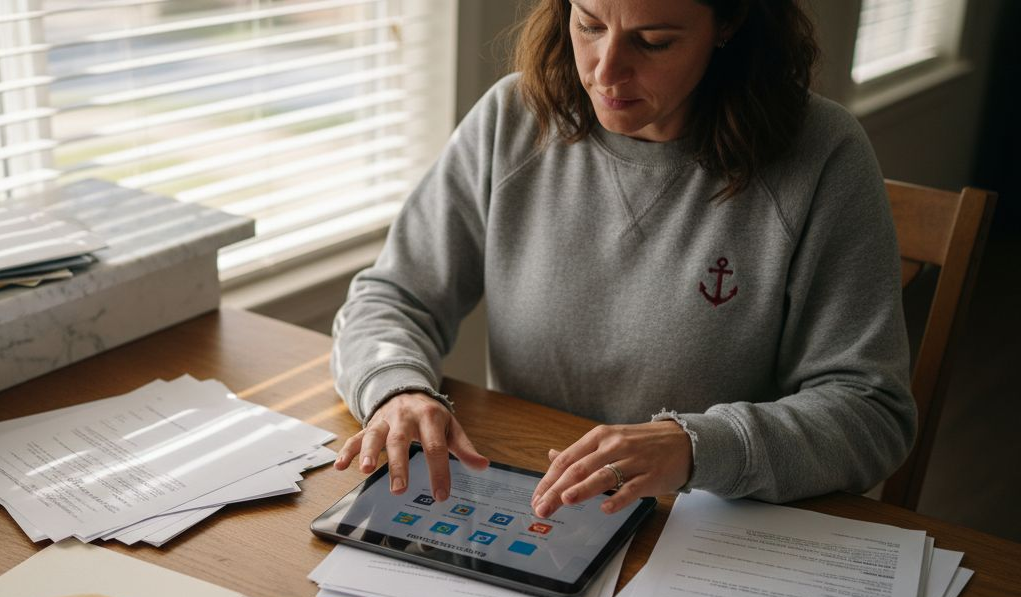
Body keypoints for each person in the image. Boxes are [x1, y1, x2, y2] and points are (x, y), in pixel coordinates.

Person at [329, 0, 915, 518]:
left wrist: (694, 445)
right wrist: (396, 389)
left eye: (654, 41)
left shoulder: (823, 154)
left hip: (701, 526)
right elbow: (391, 298)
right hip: (529, 499)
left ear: (730, 22)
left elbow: (872, 412)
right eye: (588, 25)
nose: (605, 71)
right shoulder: (513, 117)